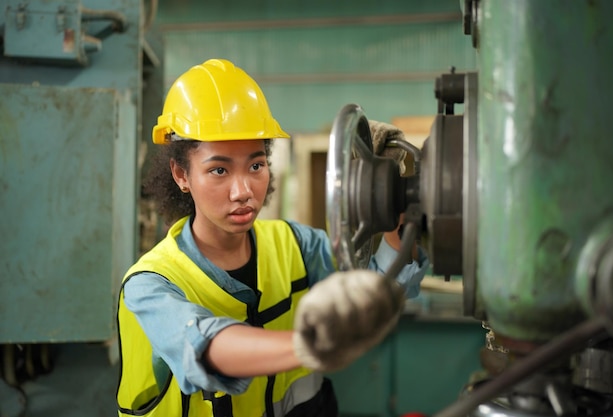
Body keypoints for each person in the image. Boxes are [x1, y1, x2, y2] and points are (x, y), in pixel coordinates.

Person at [116, 58, 429, 417]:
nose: (243, 191)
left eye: (255, 165)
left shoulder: (295, 245)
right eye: (218, 170)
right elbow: (202, 344)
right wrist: (308, 346)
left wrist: (396, 213)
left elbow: (372, 293)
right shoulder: (151, 284)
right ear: (181, 174)